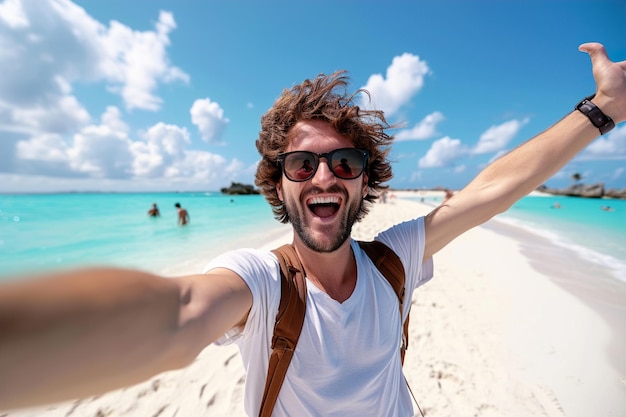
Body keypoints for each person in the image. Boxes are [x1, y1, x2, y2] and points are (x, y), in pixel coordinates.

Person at [0, 42, 624, 416]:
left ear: (363, 183)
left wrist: (601, 111)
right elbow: (175, 313)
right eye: (302, 162)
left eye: (344, 162)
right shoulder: (260, 283)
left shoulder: (395, 260)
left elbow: (491, 190)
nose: (324, 175)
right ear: (279, 183)